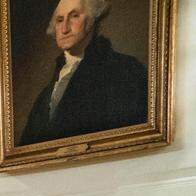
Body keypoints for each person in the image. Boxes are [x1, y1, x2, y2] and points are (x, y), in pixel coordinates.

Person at [19, 0, 147, 145]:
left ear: (93, 19)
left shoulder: (125, 70)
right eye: (59, 20)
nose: (64, 28)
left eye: (74, 16)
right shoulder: (45, 95)